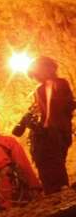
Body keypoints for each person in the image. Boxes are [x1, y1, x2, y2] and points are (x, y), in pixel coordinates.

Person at [27, 56, 75, 193]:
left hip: (60, 129)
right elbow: (41, 110)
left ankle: (62, 188)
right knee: (48, 160)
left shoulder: (61, 83)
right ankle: (53, 190)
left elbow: (67, 105)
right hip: (46, 132)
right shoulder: (39, 90)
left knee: (57, 160)